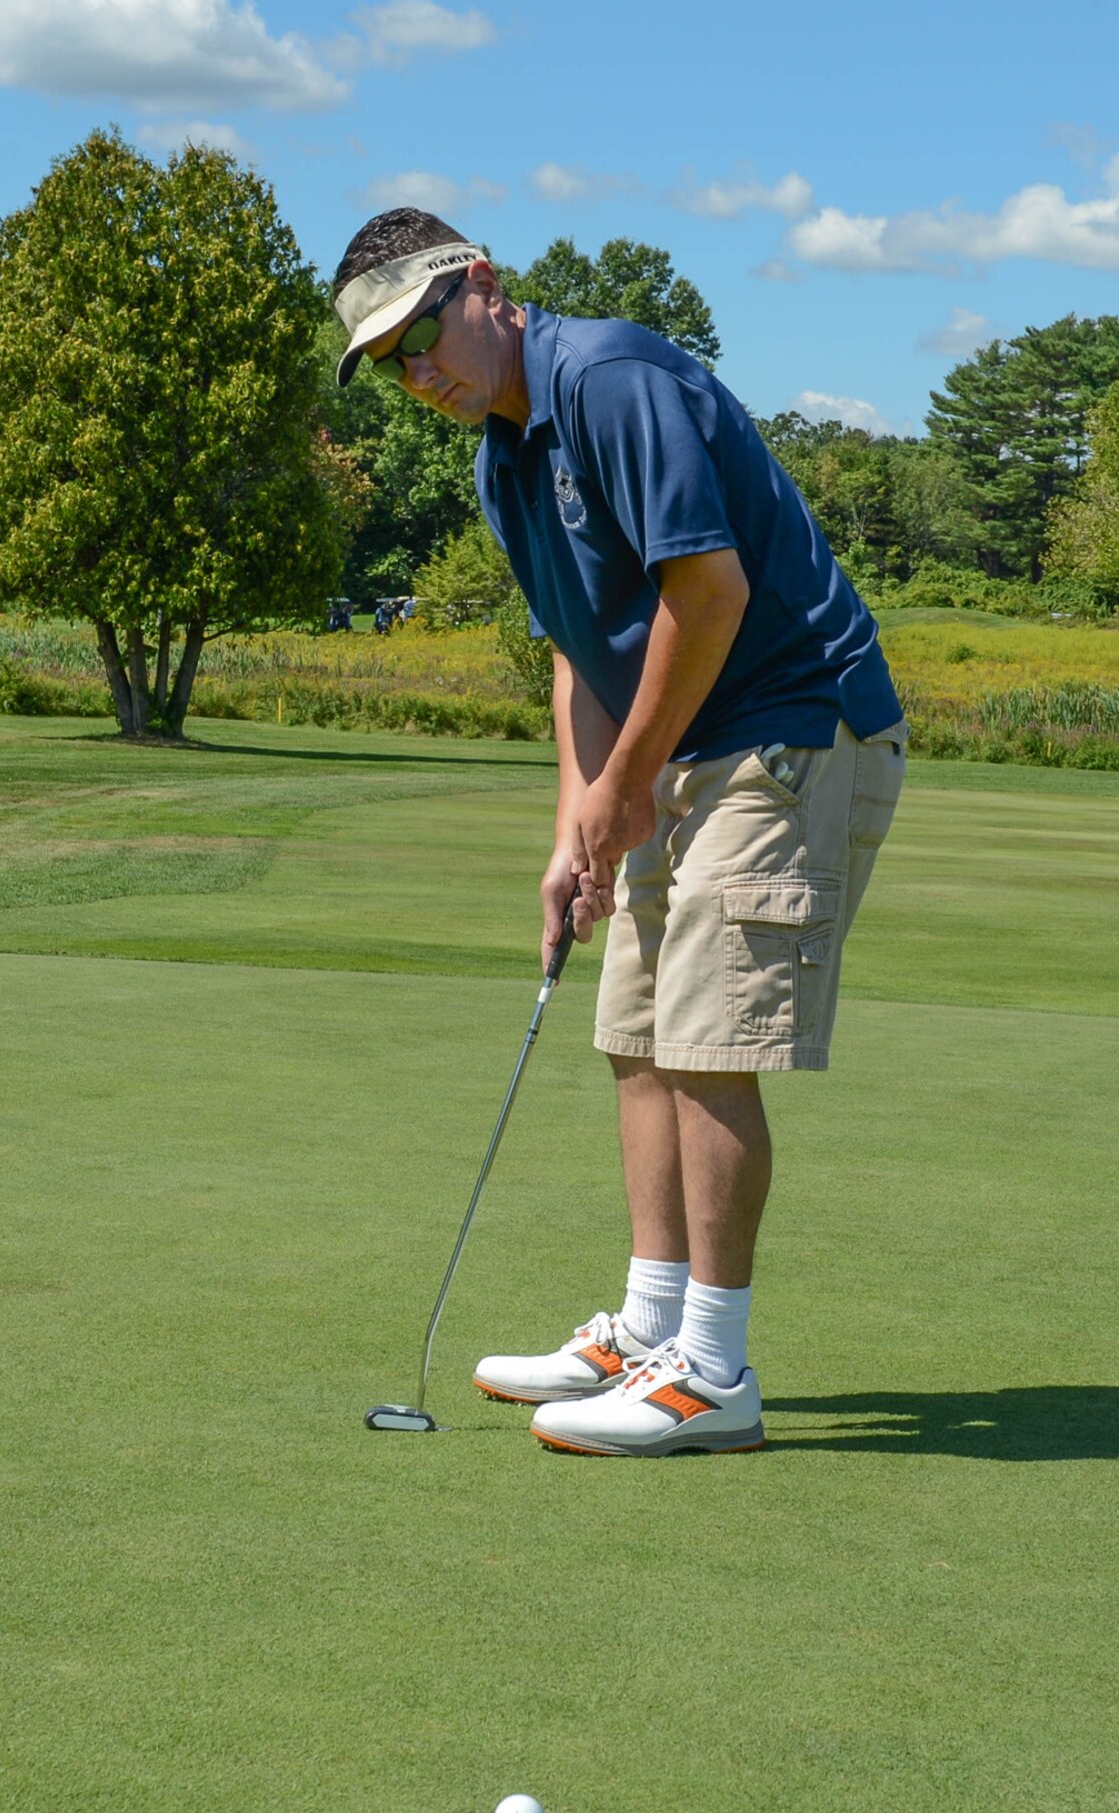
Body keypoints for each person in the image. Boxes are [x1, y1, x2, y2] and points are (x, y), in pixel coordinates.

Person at [332, 209, 907, 1457]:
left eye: (421, 333)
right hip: (687, 736)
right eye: (390, 362)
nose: (416, 369)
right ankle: (648, 1327)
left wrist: (628, 780)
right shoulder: (502, 458)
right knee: (635, 1031)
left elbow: (708, 594)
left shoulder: (611, 380)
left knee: (704, 1041)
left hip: (791, 726)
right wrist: (573, 828)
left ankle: (711, 1370)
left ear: (479, 282)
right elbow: (579, 648)